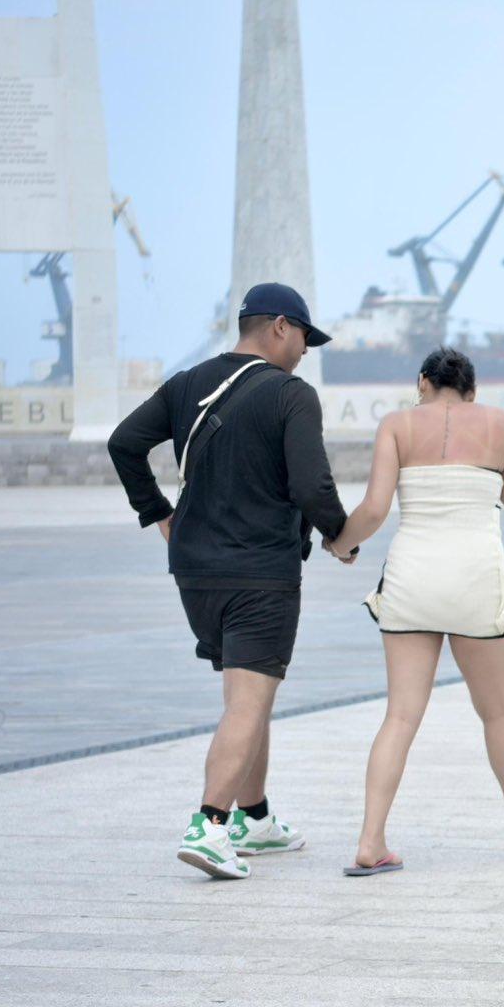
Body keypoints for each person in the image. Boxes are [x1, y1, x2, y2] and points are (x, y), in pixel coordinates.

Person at [107, 283, 348, 880]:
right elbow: (312, 485)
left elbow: (123, 443)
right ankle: (210, 825)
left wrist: (157, 513)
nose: (305, 353)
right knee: (247, 700)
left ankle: (255, 819)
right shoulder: (291, 394)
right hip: (260, 572)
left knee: (249, 693)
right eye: (304, 340)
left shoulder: (187, 382)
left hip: (193, 570)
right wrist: (340, 535)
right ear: (280, 328)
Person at [327, 346, 504, 877]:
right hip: (476, 581)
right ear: (472, 391)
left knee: (400, 715)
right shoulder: (499, 422)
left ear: (422, 383)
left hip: (411, 580)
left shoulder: (395, 425)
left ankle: (370, 841)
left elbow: (373, 509)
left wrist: (340, 544)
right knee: (499, 711)